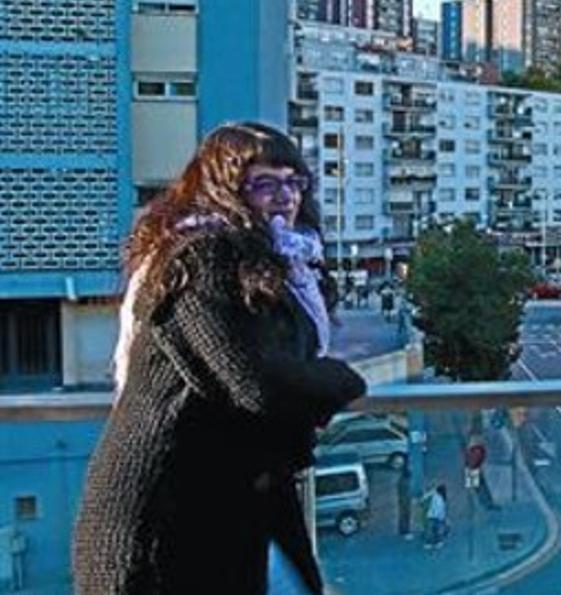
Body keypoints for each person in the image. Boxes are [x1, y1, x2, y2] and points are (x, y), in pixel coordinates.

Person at [73, 123, 366, 594]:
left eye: (293, 182)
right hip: (162, 515)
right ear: (223, 190)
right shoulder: (200, 258)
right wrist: (344, 380)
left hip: (233, 504)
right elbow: (256, 383)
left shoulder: (279, 266)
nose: (284, 196)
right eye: (264, 183)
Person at [424, 484, 448, 549]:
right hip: (437, 517)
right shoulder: (442, 498)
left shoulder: (435, 494)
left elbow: (426, 495)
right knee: (437, 530)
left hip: (431, 516)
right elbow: (442, 510)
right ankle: (438, 542)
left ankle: (429, 543)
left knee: (430, 530)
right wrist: (443, 518)